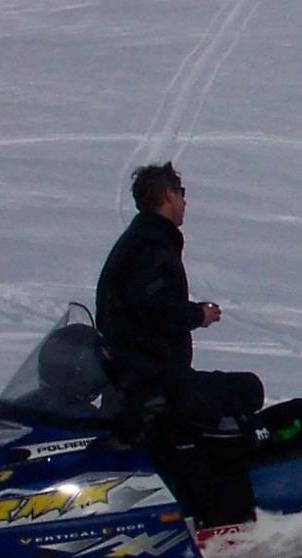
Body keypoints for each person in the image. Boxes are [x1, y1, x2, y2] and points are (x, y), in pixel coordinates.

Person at [95, 163, 262, 431]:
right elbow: (157, 309)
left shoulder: (139, 240)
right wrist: (198, 314)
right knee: (249, 389)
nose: (185, 202)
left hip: (137, 380)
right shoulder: (152, 245)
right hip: (153, 384)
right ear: (168, 195)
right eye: (181, 193)